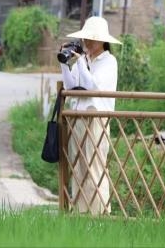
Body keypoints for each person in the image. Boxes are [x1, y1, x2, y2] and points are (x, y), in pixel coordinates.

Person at [59, 16, 122, 215]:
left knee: (95, 168)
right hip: (77, 117)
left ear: (103, 41)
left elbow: (91, 86)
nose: (88, 43)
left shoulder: (108, 61)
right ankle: (80, 213)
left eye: (92, 39)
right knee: (78, 167)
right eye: (86, 39)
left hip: (96, 119)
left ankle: (100, 214)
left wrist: (79, 62)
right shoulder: (85, 60)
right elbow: (71, 85)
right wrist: (64, 62)